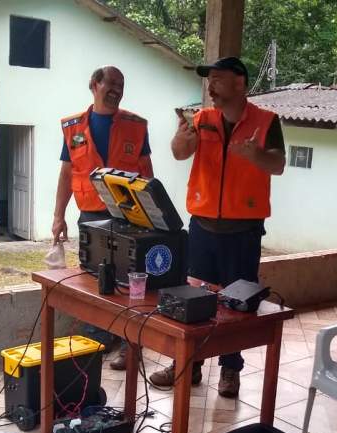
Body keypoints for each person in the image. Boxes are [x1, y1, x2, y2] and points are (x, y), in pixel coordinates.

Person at [150, 56, 286, 397]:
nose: (210, 86)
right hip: (202, 227)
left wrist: (256, 156)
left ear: (239, 83)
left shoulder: (266, 121)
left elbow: (279, 165)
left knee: (236, 305)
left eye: (218, 79)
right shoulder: (202, 119)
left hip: (244, 231)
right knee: (193, 298)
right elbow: (180, 153)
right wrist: (182, 139)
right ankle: (189, 364)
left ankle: (230, 370)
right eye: (208, 80)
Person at [53, 66, 154, 370]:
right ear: (94, 85)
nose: (116, 89)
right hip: (91, 215)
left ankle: (130, 342)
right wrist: (58, 216)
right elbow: (68, 173)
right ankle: (99, 335)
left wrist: (150, 217)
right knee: (93, 279)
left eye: (121, 85)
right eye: (110, 83)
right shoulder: (74, 128)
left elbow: (147, 172)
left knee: (130, 282)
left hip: (129, 218)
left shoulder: (135, 125)